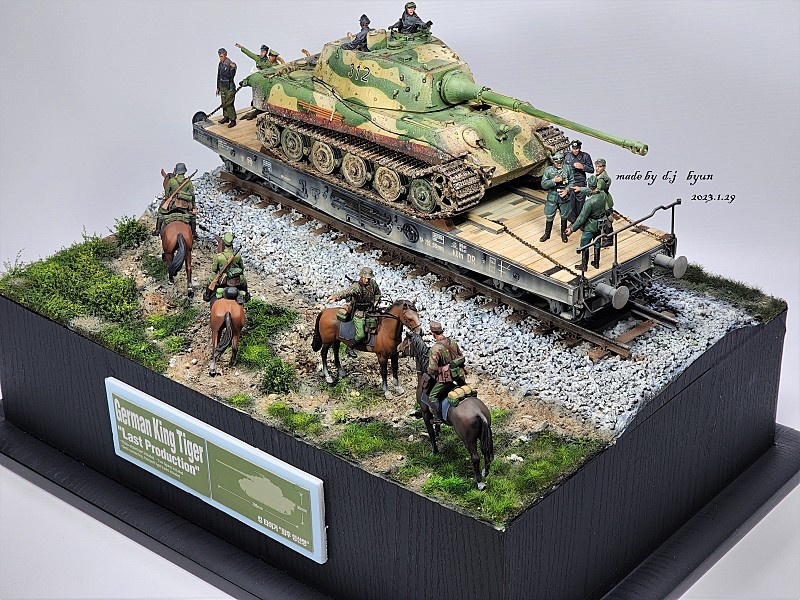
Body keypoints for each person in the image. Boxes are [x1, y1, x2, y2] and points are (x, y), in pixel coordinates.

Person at [328, 266, 381, 357]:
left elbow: (377, 293)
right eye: (365, 278)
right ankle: (350, 348)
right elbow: (346, 292)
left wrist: (376, 301)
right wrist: (336, 296)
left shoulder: (373, 284)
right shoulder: (356, 287)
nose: (367, 280)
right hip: (359, 312)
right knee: (360, 335)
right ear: (361, 277)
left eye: (369, 278)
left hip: (371, 310)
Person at [565, 175, 608, 271]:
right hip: (599, 224)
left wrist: (571, 229)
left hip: (590, 225)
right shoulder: (603, 195)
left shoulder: (589, 203)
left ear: (589, 185)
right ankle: (596, 263)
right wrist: (581, 189)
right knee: (597, 242)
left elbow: (581, 218)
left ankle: (584, 266)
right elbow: (593, 191)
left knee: (584, 244)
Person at [426, 321, 465, 424]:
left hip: (447, 378)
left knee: (432, 397)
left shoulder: (435, 349)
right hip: (459, 374)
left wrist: (430, 369)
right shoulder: (453, 342)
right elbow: (460, 356)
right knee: (465, 387)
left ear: (433, 334)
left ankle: (438, 418)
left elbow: (432, 369)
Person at [235, 44, 283, 120]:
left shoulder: (273, 64)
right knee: (256, 96)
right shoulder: (258, 58)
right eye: (261, 51)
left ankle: (255, 111)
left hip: (265, 81)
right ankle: (253, 111)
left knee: (262, 97)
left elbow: (278, 70)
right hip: (257, 79)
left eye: (264, 52)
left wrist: (280, 61)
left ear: (266, 53)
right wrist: (242, 47)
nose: (262, 53)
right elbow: (250, 53)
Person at [539, 152, 575, 243]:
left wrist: (567, 190)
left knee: (564, 216)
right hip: (553, 195)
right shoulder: (548, 170)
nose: (559, 164)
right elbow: (543, 184)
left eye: (561, 162)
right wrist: (553, 181)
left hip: (564, 196)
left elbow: (572, 182)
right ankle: (547, 234)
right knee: (549, 215)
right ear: (553, 162)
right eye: (557, 162)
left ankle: (563, 234)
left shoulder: (567, 169)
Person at [205, 232, 250, 303]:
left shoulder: (219, 256)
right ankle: (246, 296)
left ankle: (207, 296)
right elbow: (242, 268)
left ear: (224, 243)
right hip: (235, 279)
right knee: (243, 280)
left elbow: (214, 269)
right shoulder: (237, 255)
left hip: (222, 279)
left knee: (211, 279)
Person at [155, 163, 196, 237]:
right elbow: (192, 196)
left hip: (172, 205)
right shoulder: (189, 182)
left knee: (160, 212)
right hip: (184, 206)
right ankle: (193, 233)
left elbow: (167, 193)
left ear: (176, 171)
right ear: (184, 171)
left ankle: (157, 230)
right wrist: (194, 207)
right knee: (193, 216)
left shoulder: (171, 181)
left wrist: (169, 198)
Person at [563, 140, 594, 220]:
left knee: (580, 203)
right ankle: (573, 221)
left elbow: (591, 169)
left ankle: (580, 220)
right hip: (570, 182)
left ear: (580, 148)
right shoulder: (567, 156)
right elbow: (564, 170)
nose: (575, 150)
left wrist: (583, 167)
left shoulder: (585, 156)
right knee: (570, 203)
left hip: (580, 182)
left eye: (577, 148)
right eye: (574, 148)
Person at [593, 158, 615, 247]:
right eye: (596, 166)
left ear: (604, 167)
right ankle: (606, 237)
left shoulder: (602, 178)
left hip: (605, 203)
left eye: (600, 167)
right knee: (604, 221)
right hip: (602, 201)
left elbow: (597, 189)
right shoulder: (599, 175)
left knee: (608, 221)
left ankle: (609, 240)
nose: (597, 168)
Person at [216, 48, 238, 128]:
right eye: (219, 56)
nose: (220, 58)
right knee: (223, 102)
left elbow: (232, 75)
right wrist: (218, 87)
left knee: (229, 104)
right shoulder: (220, 64)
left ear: (225, 55)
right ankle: (226, 117)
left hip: (229, 87)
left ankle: (233, 120)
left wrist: (233, 68)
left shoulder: (230, 63)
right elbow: (219, 76)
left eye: (222, 56)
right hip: (222, 86)